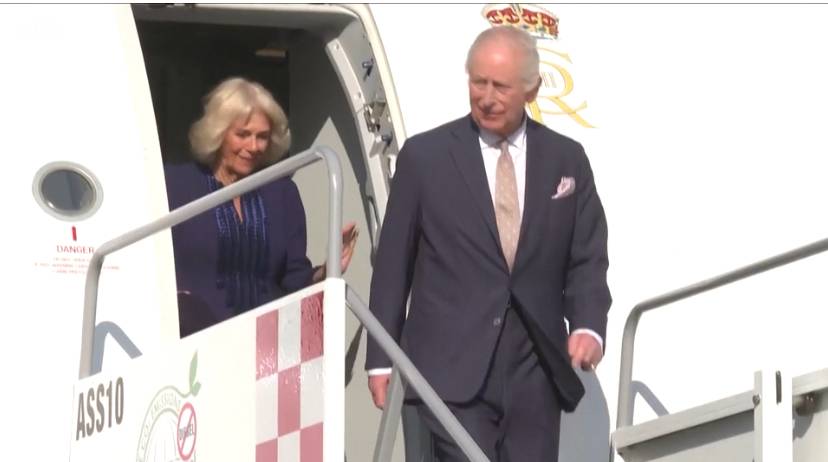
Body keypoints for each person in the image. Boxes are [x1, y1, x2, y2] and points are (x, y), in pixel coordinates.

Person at [365, 27, 610, 461]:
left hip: (535, 368)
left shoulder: (566, 159)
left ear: (532, 89)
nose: (486, 98)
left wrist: (588, 325)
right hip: (447, 367)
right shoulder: (425, 157)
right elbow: (392, 266)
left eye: (501, 86)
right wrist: (381, 358)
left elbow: (586, 255)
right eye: (478, 82)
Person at [165, 77, 358, 337]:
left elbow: (294, 280)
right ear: (218, 133)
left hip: (266, 343)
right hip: (193, 341)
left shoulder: (282, 193)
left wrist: (327, 270)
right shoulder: (176, 185)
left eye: (262, 137)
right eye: (243, 135)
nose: (253, 147)